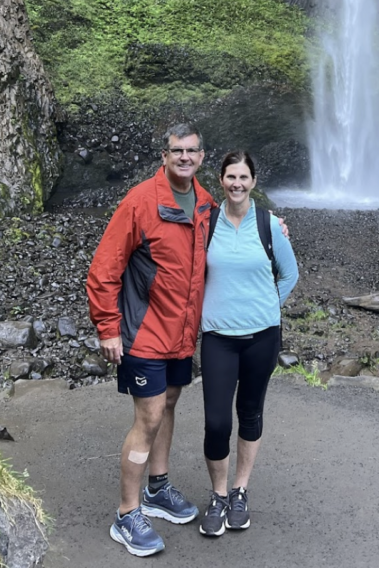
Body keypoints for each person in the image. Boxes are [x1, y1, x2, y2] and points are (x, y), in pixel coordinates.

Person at [86, 122, 213, 557]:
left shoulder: (204, 204)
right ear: (164, 156)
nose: (184, 157)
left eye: (191, 151)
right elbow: (103, 269)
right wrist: (107, 328)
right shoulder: (141, 202)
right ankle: (127, 513)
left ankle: (158, 488)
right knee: (150, 415)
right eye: (176, 150)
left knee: (170, 403)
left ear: (201, 157)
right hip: (143, 332)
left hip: (181, 333)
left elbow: (235, 234)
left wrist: (277, 228)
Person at [198, 150, 299, 538]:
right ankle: (218, 495)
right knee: (216, 422)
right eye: (230, 177)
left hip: (262, 336)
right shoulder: (207, 223)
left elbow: (289, 274)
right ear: (221, 181)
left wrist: (267, 306)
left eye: (244, 177)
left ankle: (239, 490)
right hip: (219, 338)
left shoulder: (269, 224)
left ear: (253, 182)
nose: (237, 184)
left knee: (251, 413)